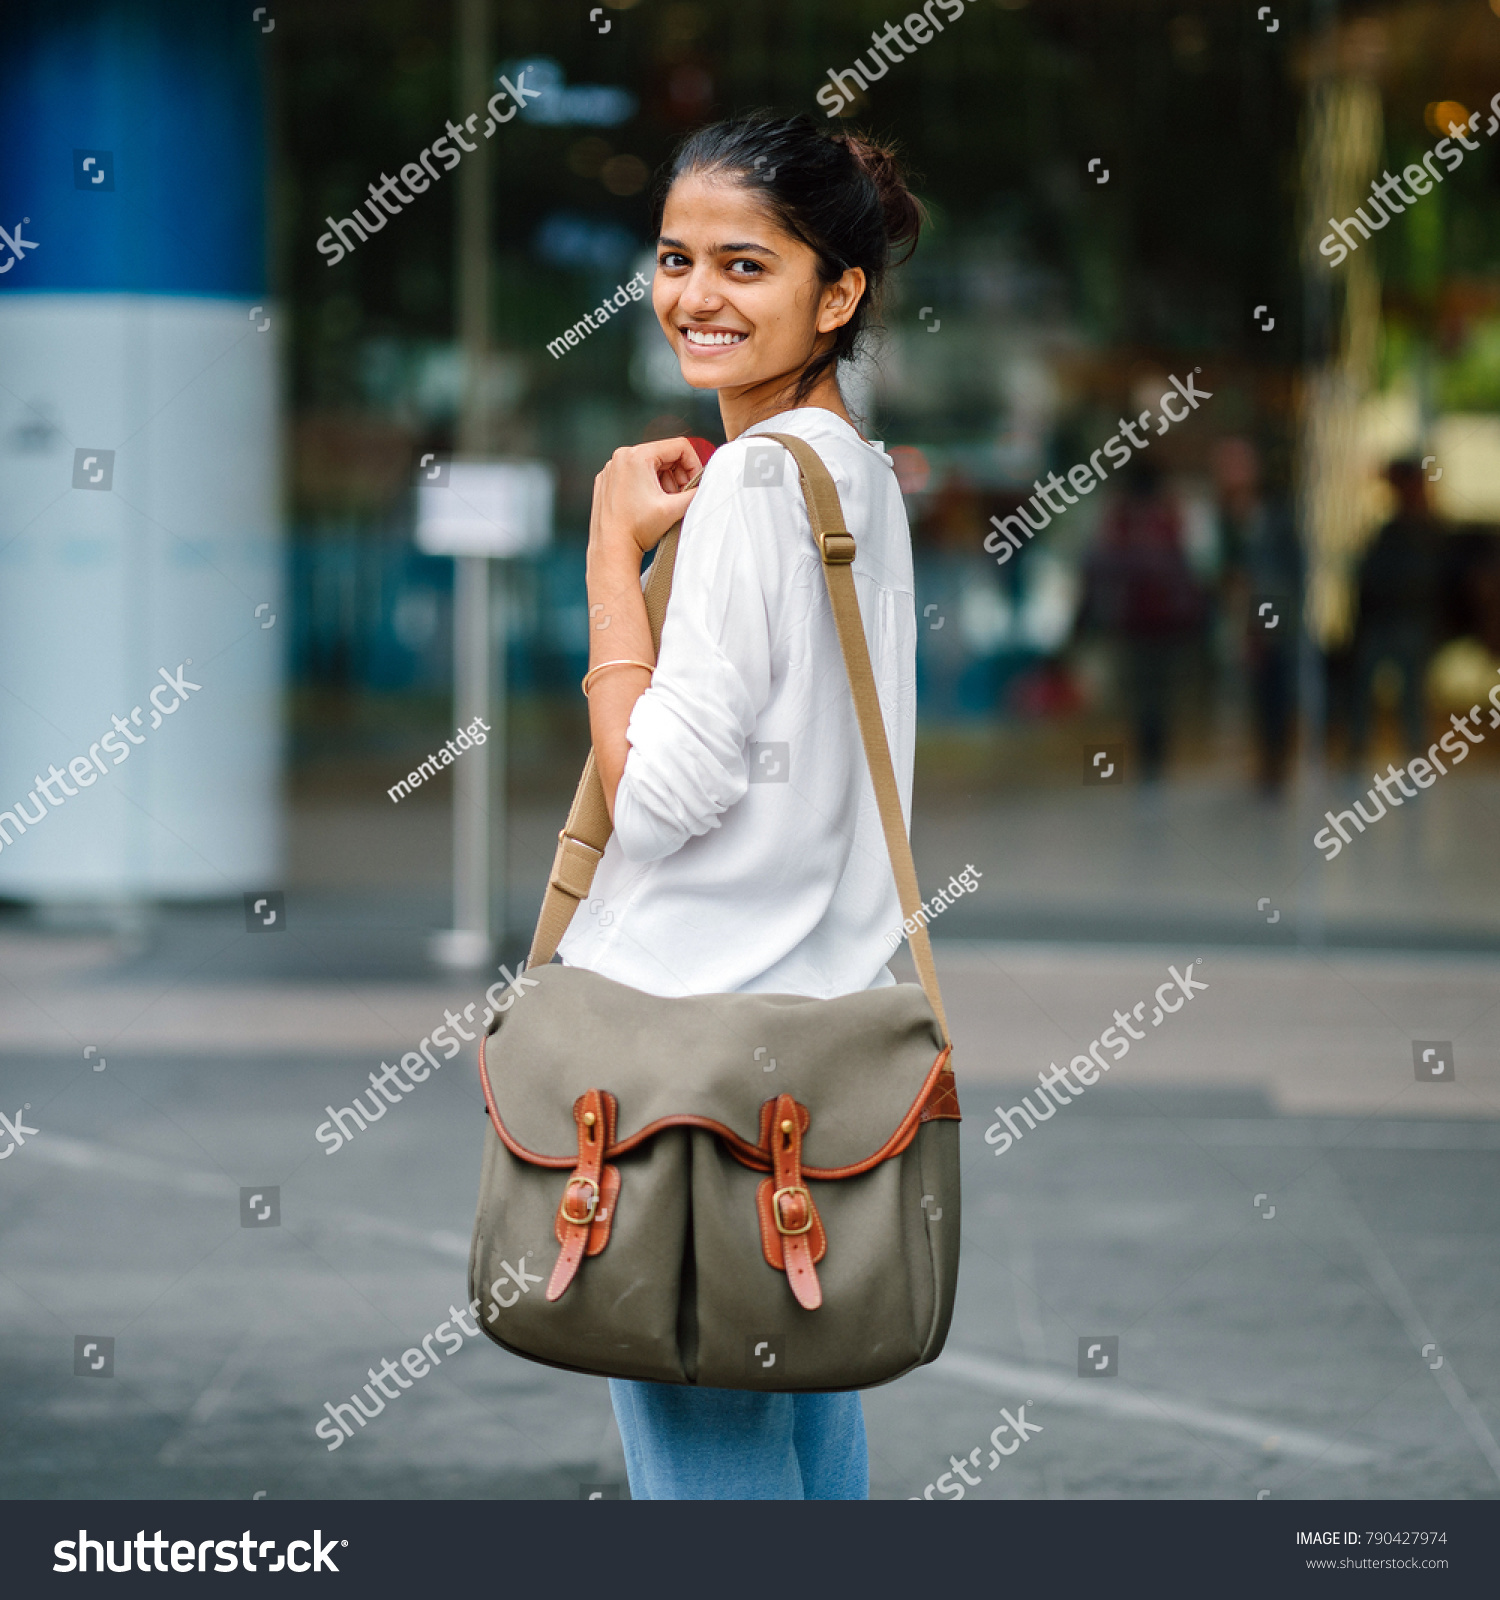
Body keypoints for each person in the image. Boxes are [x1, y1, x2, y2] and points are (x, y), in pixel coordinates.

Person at [555, 111, 923, 1499]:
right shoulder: (855, 476)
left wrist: (607, 548)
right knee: (806, 1434)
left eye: (747, 266)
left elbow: (652, 803)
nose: (696, 297)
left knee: (709, 1473)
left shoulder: (754, 493)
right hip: (813, 1051)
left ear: (839, 296)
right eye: (673, 257)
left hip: (683, 1069)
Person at [1079, 459, 1205, 782]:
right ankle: (1153, 757)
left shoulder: (1122, 520)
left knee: (1141, 693)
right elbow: (1188, 568)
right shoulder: (1166, 519)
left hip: (1136, 622)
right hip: (1162, 622)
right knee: (1156, 692)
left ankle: (1147, 758)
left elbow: (1099, 567)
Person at [1213, 437, 1302, 797]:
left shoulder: (1276, 513)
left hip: (1272, 615)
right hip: (1237, 617)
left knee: (1275, 689)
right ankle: (1258, 758)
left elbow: (1293, 567)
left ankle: (1275, 762)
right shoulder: (1222, 518)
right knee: (1249, 690)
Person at [1348, 459, 1442, 760]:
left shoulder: (1422, 530)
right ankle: (1360, 753)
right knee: (1367, 692)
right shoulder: (1393, 528)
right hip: (1388, 623)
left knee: (1410, 701)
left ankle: (1409, 760)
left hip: (1406, 623)